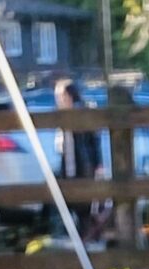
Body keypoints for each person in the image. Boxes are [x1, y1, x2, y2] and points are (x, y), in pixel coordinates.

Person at [54, 75, 109, 242]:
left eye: (60, 97)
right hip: (71, 165)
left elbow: (93, 140)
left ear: (68, 96)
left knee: (83, 204)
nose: (58, 101)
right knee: (75, 204)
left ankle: (86, 239)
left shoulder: (81, 113)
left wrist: (97, 163)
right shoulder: (64, 116)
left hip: (81, 165)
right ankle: (80, 238)